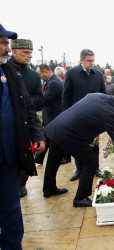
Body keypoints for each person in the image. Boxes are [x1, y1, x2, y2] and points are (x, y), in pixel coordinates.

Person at [44, 92, 114, 206]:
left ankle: (48, 189)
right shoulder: (111, 113)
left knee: (53, 160)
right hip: (69, 134)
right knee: (90, 162)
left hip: (57, 126)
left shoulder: (99, 96)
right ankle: (81, 198)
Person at [0, 24, 45, 249]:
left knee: (11, 210)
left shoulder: (12, 75)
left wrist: (37, 133)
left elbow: (29, 106)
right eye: (3, 43)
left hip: (9, 153)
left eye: (7, 44)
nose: (6, 49)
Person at [7, 38, 43, 198]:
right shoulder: (5, 70)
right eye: (25, 53)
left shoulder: (34, 76)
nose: (29, 56)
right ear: (14, 52)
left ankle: (22, 183)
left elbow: (39, 99)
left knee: (25, 154)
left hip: (25, 123)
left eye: (31, 53)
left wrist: (22, 102)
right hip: (6, 123)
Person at [63, 49, 105, 181]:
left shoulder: (98, 75)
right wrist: (66, 115)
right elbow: (66, 96)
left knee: (95, 144)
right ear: (81, 60)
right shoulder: (71, 73)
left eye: (93, 60)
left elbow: (103, 96)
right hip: (76, 117)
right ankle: (79, 169)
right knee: (78, 144)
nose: (92, 63)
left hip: (94, 117)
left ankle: (95, 167)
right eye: (89, 61)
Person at [33, 64, 63, 166]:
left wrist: (30, 108)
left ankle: (39, 159)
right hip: (51, 117)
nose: (39, 77)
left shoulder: (54, 83)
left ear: (46, 71)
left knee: (47, 139)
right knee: (47, 139)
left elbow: (44, 100)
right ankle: (39, 159)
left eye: (40, 74)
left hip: (53, 118)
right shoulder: (51, 81)